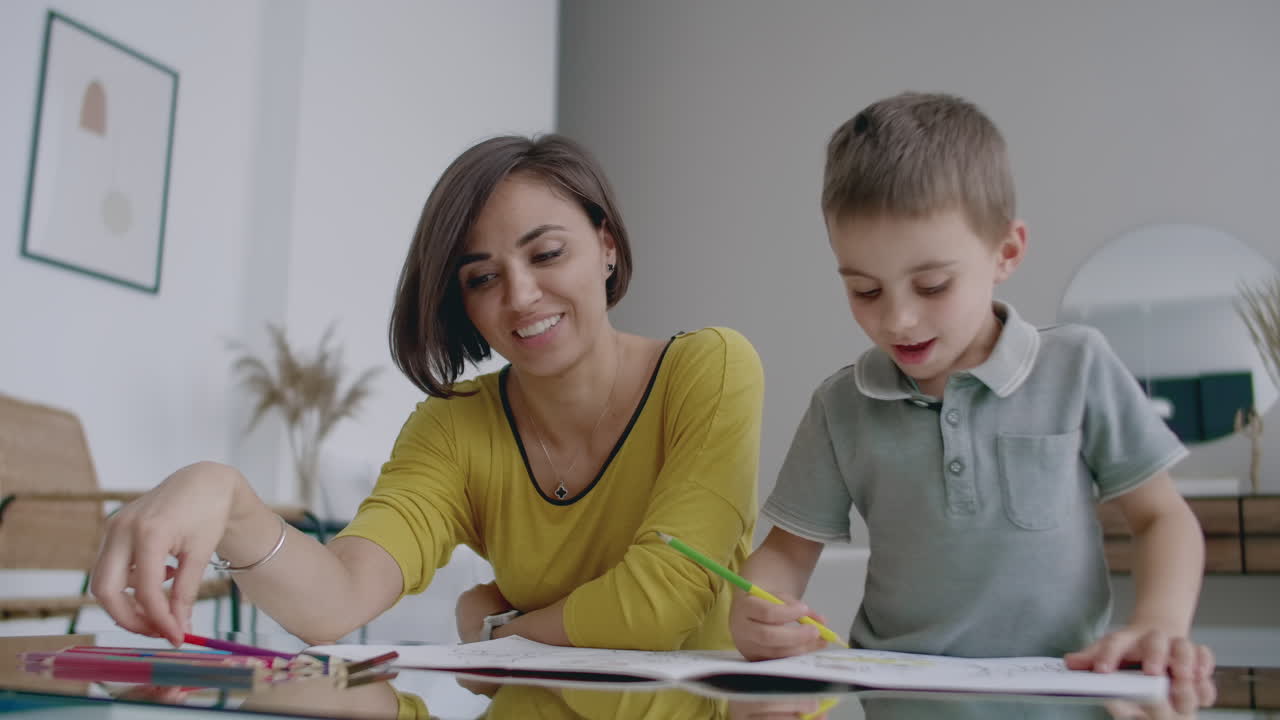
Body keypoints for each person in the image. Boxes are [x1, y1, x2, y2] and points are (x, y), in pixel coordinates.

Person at [91, 134, 763, 652]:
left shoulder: (710, 370)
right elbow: (337, 600)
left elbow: (660, 605)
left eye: (547, 253)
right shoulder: (452, 429)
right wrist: (226, 495)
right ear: (460, 302)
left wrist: (500, 628)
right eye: (481, 278)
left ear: (606, 245)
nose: (521, 295)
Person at [729, 93, 1215, 692]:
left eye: (932, 286)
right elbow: (784, 554)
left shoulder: (1077, 367)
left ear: (1006, 252)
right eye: (865, 290)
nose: (899, 321)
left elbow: (1162, 517)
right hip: (901, 708)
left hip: (1069, 703)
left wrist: (1159, 623)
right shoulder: (841, 406)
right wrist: (761, 610)